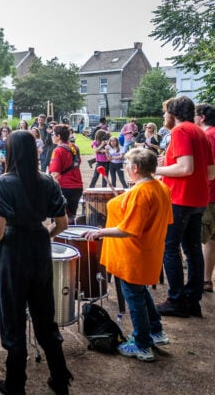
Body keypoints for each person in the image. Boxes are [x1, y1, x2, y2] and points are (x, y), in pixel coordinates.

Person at [0, 130, 73, 395]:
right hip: (39, 246)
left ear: (11, 152)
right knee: (45, 314)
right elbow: (62, 223)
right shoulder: (48, 181)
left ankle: (15, 383)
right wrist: (43, 235)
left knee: (13, 316)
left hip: (13, 250)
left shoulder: (3, 183)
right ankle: (59, 377)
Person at [84, 148, 173, 361]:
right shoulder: (160, 186)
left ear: (135, 168)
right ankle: (156, 331)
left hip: (133, 254)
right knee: (141, 292)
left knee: (134, 297)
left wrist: (100, 232)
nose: (124, 168)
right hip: (148, 251)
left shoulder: (142, 193)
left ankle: (142, 345)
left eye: (126, 165)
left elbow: (129, 230)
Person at [155, 96, 215, 318]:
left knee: (169, 248)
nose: (163, 117)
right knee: (192, 250)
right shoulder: (200, 131)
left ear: (173, 113)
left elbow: (185, 168)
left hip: (180, 199)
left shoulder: (180, 131)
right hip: (199, 199)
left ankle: (177, 300)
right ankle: (192, 300)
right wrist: (169, 165)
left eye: (165, 113)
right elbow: (210, 171)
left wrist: (156, 170)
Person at [195, 103, 215, 293]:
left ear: (201, 117)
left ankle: (199, 281)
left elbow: (210, 171)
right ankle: (206, 280)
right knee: (211, 240)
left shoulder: (208, 136)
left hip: (210, 194)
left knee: (199, 239)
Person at [49, 125, 84, 225]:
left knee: (58, 219)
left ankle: (59, 240)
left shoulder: (58, 150)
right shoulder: (74, 147)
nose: (52, 136)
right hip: (77, 187)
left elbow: (55, 173)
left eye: (52, 134)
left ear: (58, 136)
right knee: (71, 217)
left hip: (63, 187)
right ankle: (70, 240)